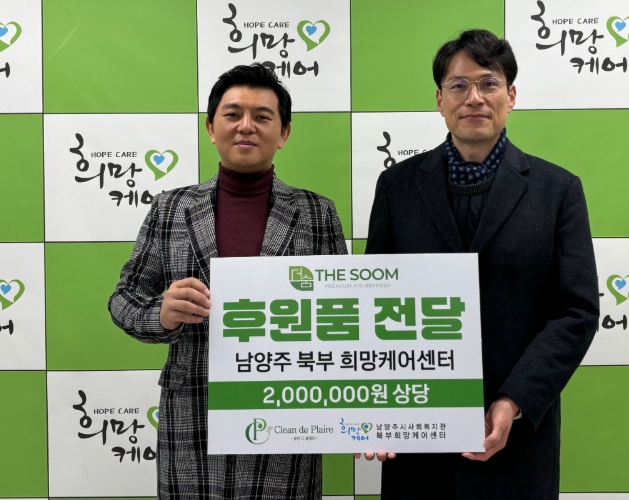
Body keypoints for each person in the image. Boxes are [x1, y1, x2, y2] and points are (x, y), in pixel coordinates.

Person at [358, 30, 600, 499]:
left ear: (511, 95)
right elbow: (373, 303)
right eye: (458, 85)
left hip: (517, 443)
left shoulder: (557, 190)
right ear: (439, 100)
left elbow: (576, 312)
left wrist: (514, 401)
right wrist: (375, 408)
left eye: (489, 83)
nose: (474, 98)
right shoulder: (397, 187)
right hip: (417, 439)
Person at [108, 63, 347, 499]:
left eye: (262, 116)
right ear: (210, 128)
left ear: (284, 132)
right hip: (192, 412)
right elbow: (124, 299)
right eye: (232, 114)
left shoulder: (317, 213)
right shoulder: (170, 209)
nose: (246, 126)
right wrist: (162, 314)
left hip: (285, 412)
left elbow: (343, 316)